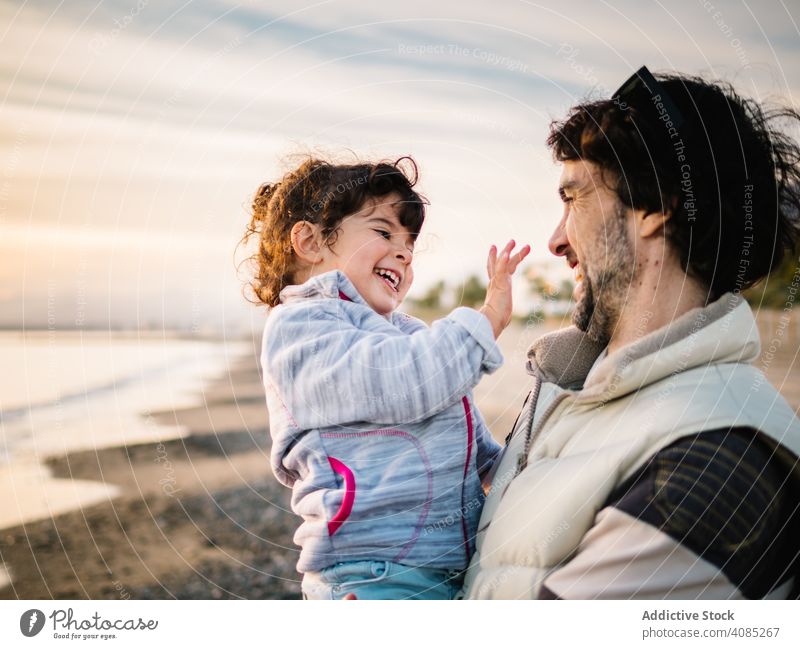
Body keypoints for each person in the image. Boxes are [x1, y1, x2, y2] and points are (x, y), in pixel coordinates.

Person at [461, 67, 800, 599]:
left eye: (573, 198)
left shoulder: (713, 464)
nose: (555, 240)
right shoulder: (569, 386)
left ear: (656, 204)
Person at [245, 156, 529, 599]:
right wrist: (487, 319)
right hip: (369, 575)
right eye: (383, 232)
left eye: (410, 246)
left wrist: (522, 459)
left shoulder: (406, 335)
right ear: (309, 241)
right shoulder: (300, 327)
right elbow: (407, 380)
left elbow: (472, 445)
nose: (404, 253)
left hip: (444, 571)